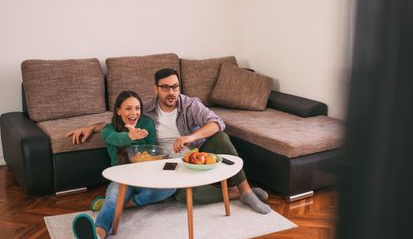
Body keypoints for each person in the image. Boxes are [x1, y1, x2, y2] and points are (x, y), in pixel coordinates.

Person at [67, 68, 270, 214]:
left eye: (175, 87)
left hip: (193, 154)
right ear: (155, 89)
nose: (171, 92)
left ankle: (246, 190)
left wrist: (190, 137)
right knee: (182, 196)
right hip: (166, 163)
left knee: (221, 137)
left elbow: (217, 123)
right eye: (165, 88)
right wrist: (90, 127)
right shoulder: (145, 109)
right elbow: (119, 119)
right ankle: (235, 193)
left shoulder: (190, 105)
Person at [73, 90, 178, 239]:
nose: (134, 113)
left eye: (137, 108)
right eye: (128, 109)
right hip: (122, 177)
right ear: (118, 111)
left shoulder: (146, 123)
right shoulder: (108, 130)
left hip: (145, 176)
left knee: (170, 188)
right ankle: (98, 237)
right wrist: (131, 135)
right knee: (114, 200)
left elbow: (151, 150)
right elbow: (118, 139)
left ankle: (126, 203)